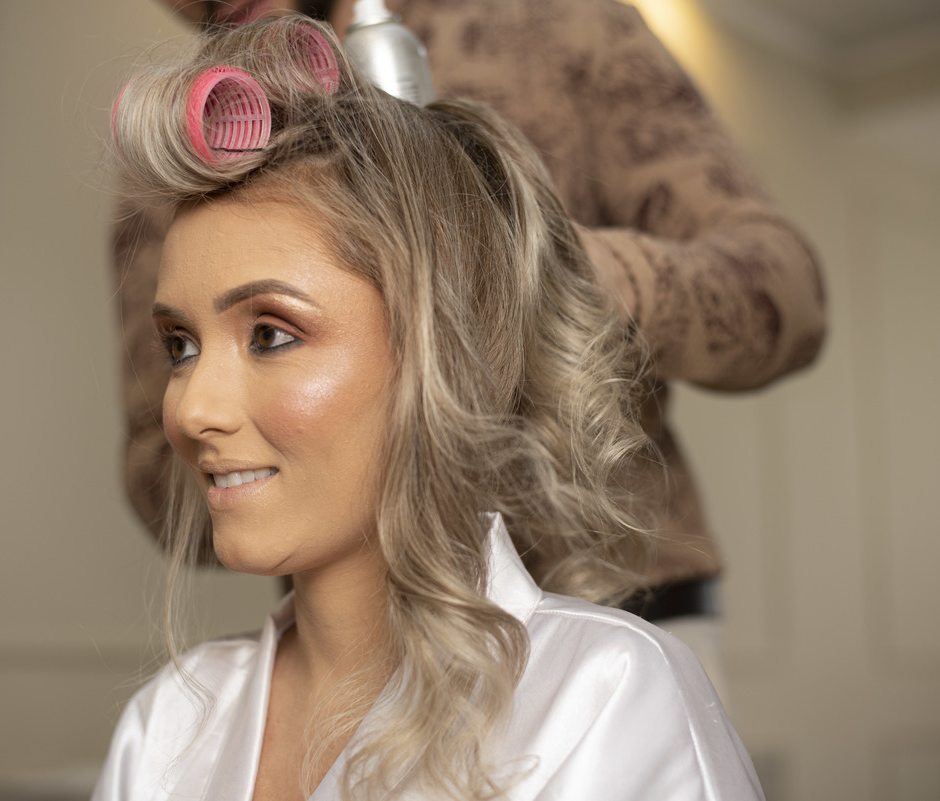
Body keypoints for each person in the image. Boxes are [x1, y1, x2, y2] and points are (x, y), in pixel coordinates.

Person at [94, 17, 763, 800]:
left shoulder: (600, 698)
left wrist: (523, 268)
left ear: (448, 346)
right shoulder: (166, 726)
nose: (191, 410)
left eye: (270, 333)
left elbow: (779, 285)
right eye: (179, 345)